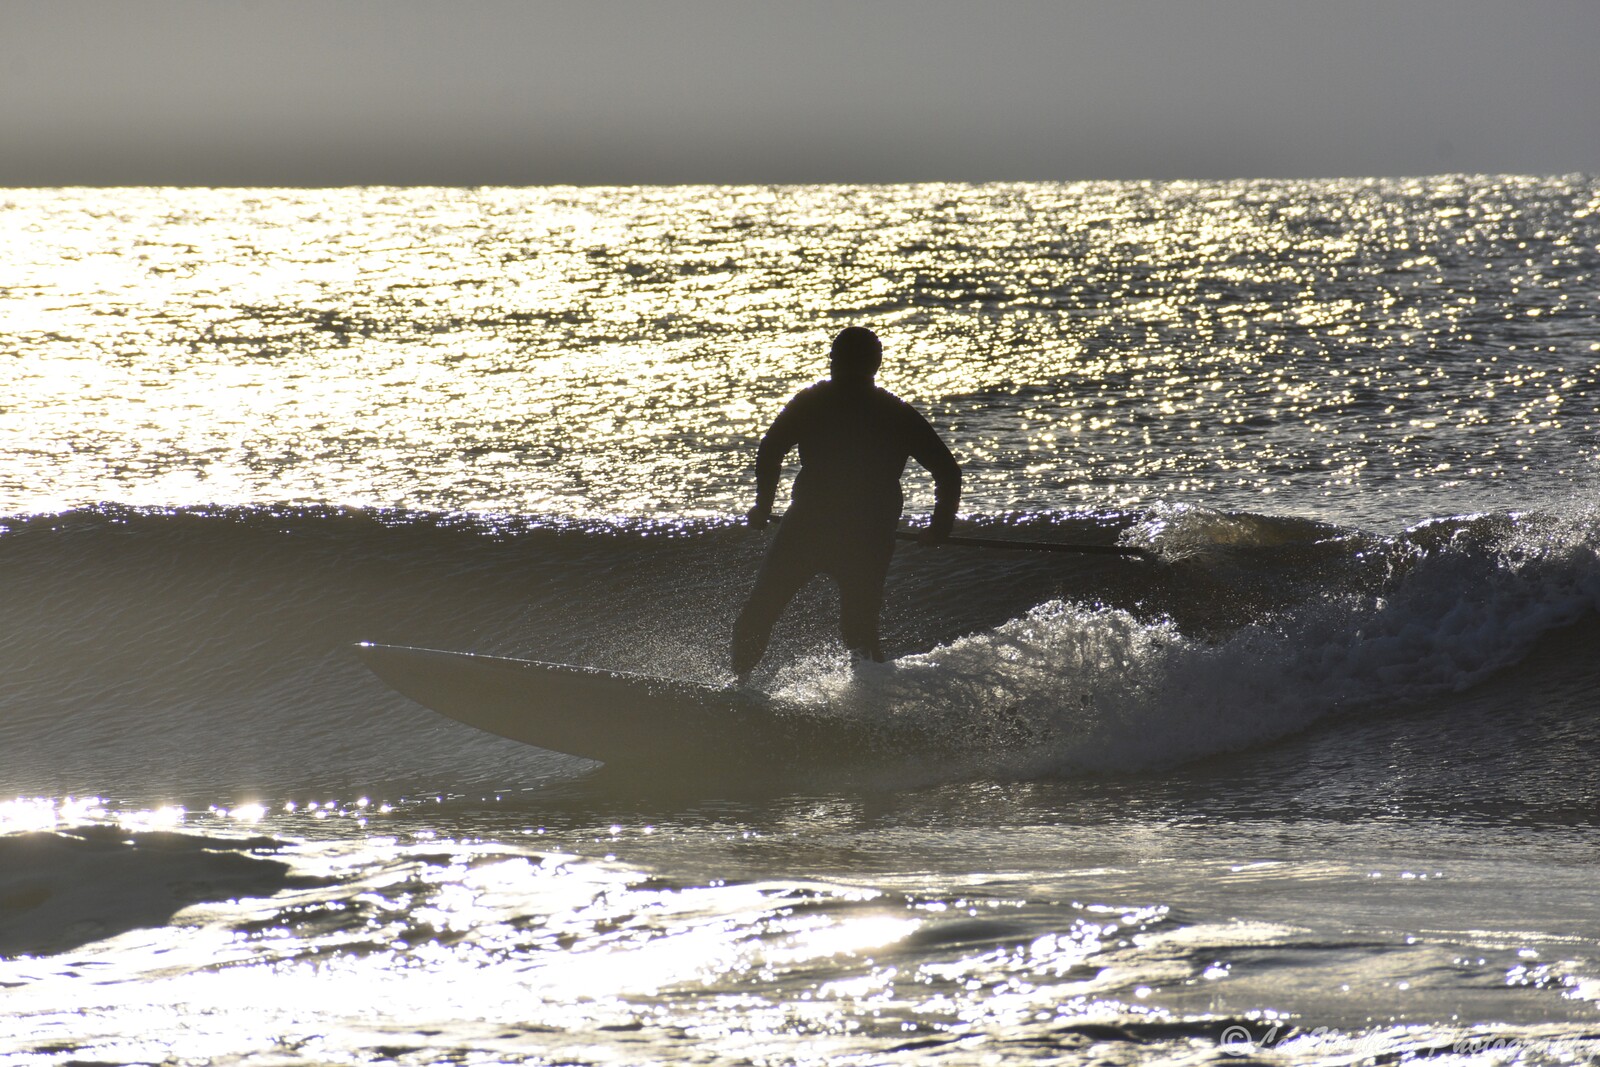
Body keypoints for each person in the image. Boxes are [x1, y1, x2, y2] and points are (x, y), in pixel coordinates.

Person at [731, 326, 961, 677]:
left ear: (834, 362)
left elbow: (771, 449)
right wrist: (939, 527)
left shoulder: (812, 402)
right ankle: (872, 706)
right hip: (863, 532)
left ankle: (740, 689)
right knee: (858, 629)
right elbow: (948, 472)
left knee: (761, 612)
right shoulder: (894, 412)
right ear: (877, 364)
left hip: (812, 527)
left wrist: (763, 505)